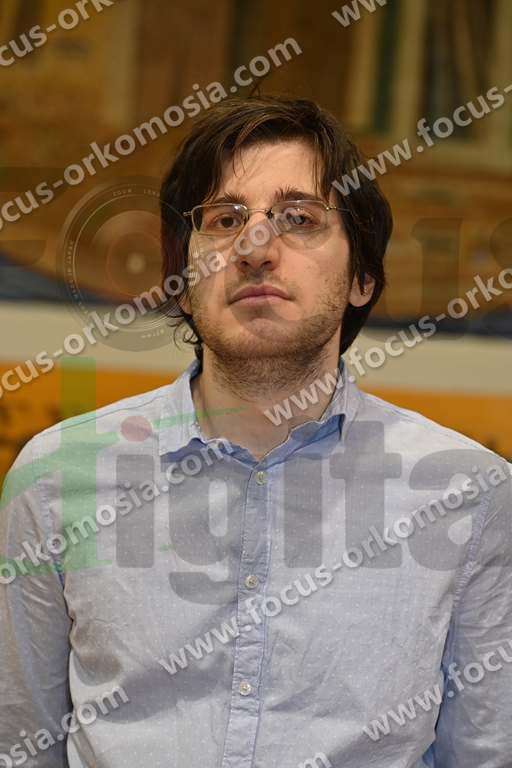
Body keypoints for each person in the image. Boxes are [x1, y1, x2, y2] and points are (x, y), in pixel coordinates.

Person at [1, 95, 511, 768]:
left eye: (299, 219)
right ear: (183, 281)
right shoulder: (56, 479)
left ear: (362, 277)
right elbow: (19, 746)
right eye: (224, 220)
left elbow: (485, 751)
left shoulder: (468, 493)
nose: (255, 248)